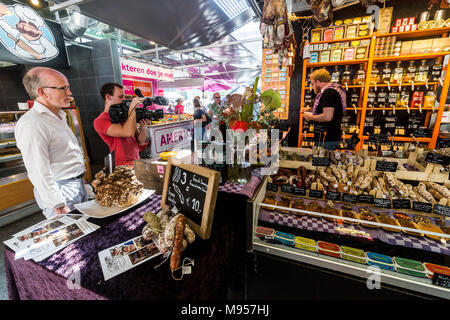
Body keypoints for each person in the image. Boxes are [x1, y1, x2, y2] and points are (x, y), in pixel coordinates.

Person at [15, 67, 87, 218]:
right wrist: (57, 203)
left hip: (75, 184)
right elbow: (38, 169)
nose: (69, 93)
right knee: (71, 236)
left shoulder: (58, 115)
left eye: (68, 87)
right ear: (42, 92)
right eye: (62, 88)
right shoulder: (32, 123)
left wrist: (81, 181)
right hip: (60, 191)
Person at [94, 83, 150, 166]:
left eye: (124, 96)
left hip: (136, 159)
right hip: (122, 165)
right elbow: (127, 132)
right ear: (108, 97)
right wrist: (132, 108)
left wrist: (143, 127)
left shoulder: (127, 115)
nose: (124, 99)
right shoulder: (100, 120)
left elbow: (140, 142)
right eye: (120, 97)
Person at [302, 68, 346, 150]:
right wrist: (308, 110)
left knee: (324, 159)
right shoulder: (327, 91)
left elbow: (327, 116)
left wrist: (310, 117)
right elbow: (323, 108)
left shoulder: (329, 93)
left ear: (318, 82)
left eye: (312, 83)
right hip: (325, 137)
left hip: (328, 138)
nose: (312, 86)